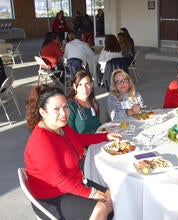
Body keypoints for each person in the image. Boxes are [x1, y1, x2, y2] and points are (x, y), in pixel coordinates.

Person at [24, 84, 122, 219]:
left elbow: (78, 139)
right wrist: (91, 193)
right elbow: (58, 179)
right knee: (100, 208)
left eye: (65, 107)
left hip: (74, 181)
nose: (63, 113)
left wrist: (105, 136)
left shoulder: (61, 127)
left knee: (111, 197)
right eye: (56, 109)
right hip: (52, 196)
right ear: (43, 112)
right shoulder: (41, 141)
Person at [68, 69, 100, 134]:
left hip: (97, 140)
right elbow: (70, 134)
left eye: (87, 84)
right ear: (75, 86)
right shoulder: (70, 105)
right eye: (80, 84)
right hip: (82, 143)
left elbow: (97, 126)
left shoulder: (93, 102)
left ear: (91, 85)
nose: (84, 89)